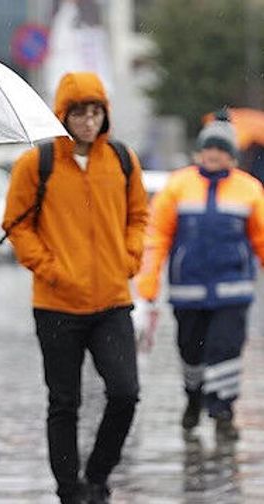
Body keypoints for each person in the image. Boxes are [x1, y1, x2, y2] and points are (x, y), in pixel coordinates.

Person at [1, 72, 149, 504]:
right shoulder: (37, 163)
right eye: (79, 112)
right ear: (62, 115)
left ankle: (98, 476)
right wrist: (51, 269)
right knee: (64, 402)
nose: (88, 121)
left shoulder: (122, 159)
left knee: (125, 393)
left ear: (106, 114)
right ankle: (70, 490)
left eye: (95, 111)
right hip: (56, 305)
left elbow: (139, 216)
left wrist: (129, 259)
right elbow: (16, 225)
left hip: (112, 303)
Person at [135, 113, 264, 441]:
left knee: (226, 349)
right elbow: (157, 236)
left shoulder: (249, 190)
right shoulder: (178, 186)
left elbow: (261, 237)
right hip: (188, 290)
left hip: (233, 290)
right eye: (209, 148)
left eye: (221, 150)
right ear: (198, 152)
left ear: (232, 156)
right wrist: (148, 280)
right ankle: (193, 396)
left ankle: (223, 410)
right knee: (191, 350)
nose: (214, 155)